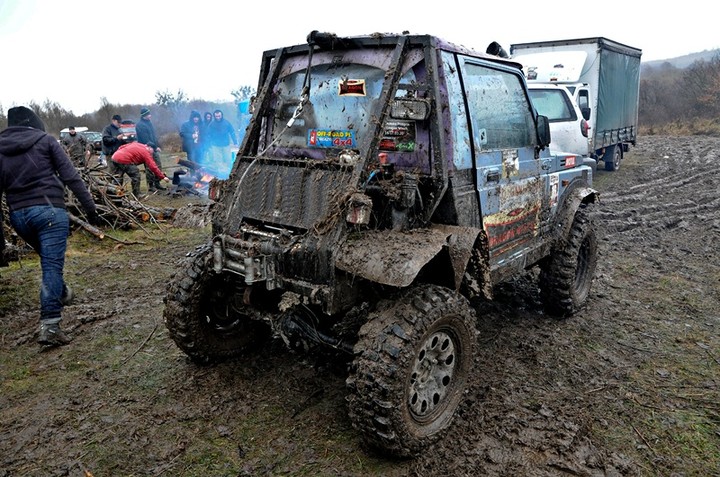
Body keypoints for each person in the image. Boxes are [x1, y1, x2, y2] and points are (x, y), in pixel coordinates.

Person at [0, 106, 100, 347]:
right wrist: (90, 209)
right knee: (51, 266)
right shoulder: (45, 141)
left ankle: (62, 292)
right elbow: (71, 176)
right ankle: (51, 325)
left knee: (49, 259)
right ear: (34, 123)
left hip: (19, 217)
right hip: (50, 212)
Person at [111, 120, 171, 197]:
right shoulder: (146, 152)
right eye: (153, 150)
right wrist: (163, 177)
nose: (152, 153)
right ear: (150, 147)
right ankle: (137, 194)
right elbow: (153, 166)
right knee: (136, 174)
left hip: (115, 157)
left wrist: (119, 155)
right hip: (124, 160)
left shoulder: (139, 144)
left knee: (118, 176)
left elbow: (122, 147)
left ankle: (114, 193)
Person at [135, 107, 165, 192]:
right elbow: (146, 140)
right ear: (144, 115)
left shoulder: (149, 123)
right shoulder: (140, 125)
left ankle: (157, 183)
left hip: (154, 148)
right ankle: (151, 185)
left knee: (158, 165)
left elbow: (154, 137)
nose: (150, 116)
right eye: (148, 114)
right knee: (149, 168)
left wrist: (158, 145)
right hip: (147, 149)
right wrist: (155, 147)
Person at [205, 109, 238, 176]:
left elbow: (232, 132)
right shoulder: (211, 124)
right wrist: (209, 143)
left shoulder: (226, 123)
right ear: (214, 116)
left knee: (228, 159)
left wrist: (235, 142)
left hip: (226, 144)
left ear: (221, 115)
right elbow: (208, 135)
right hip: (215, 145)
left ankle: (231, 173)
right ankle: (221, 175)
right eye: (216, 116)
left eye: (219, 116)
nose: (218, 117)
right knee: (218, 161)